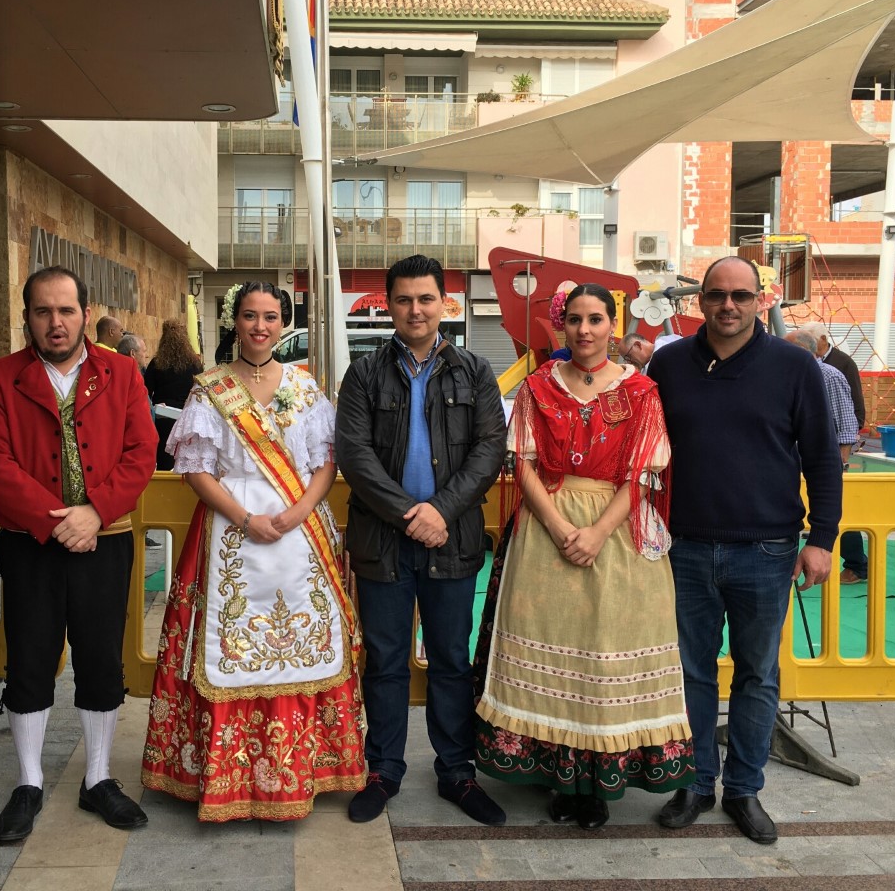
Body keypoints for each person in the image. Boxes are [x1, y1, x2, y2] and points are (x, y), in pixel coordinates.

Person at [473, 283, 695, 831]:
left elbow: (645, 471)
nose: (585, 330)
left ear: (612, 325)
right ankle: (560, 778)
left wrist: (595, 532)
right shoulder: (535, 388)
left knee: (605, 649)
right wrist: (557, 525)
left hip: (616, 531)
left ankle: (598, 784)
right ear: (561, 326)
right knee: (557, 647)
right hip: (545, 529)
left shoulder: (642, 392)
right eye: (574, 320)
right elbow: (521, 462)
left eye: (596, 319)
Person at [141, 280, 365, 820]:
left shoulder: (306, 387)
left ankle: (305, 769)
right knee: (223, 645)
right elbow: (195, 468)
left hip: (299, 529)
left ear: (284, 323)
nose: (260, 326)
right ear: (234, 322)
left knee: (304, 644)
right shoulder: (209, 388)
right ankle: (222, 776)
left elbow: (325, 462)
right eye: (249, 316)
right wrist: (245, 517)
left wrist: (296, 513)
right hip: (228, 530)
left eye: (270, 317)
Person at [648, 255, 841, 845]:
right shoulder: (668, 363)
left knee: (757, 674)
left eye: (740, 295)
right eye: (716, 295)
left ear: (761, 299)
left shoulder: (794, 366)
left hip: (767, 547)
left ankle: (744, 790)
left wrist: (823, 540)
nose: (727, 305)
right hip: (683, 546)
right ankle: (695, 783)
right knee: (688, 673)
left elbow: (823, 458)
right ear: (698, 301)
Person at [0, 266, 157, 843]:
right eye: (43, 311)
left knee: (102, 659)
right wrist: (56, 523)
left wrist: (96, 512)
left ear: (85, 312)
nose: (56, 322)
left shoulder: (121, 372)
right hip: (32, 544)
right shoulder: (0, 378)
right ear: (26, 316)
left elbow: (141, 450)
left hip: (106, 537)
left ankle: (97, 778)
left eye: (66, 311)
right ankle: (28, 783)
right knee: (29, 658)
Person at [335, 254, 508, 826]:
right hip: (383, 540)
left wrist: (441, 511)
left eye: (425, 299)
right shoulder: (362, 374)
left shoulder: (475, 372)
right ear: (388, 305)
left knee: (451, 661)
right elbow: (354, 456)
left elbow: (490, 451)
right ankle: (382, 769)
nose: (415, 309)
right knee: (384, 660)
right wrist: (413, 512)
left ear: (444, 304)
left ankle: (456, 772)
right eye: (404, 299)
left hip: (451, 539)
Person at [799, 321, 868, 584]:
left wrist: (840, 459)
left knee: (835, 509)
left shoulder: (832, 372)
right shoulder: (802, 373)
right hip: (804, 453)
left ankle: (856, 564)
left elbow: (849, 420)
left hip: (826, 456)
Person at [785, 331, 858, 466]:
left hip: (823, 458)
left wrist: (840, 462)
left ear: (801, 351)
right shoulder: (790, 375)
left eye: (785, 349)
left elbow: (846, 422)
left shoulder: (829, 376)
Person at [144, 317, 204, 471]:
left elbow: (145, 391)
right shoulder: (195, 363)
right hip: (187, 418)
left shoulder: (157, 362)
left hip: (162, 418)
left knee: (164, 461)